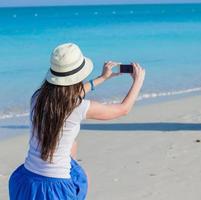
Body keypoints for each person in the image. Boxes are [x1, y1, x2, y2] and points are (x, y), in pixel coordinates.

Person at [8, 43, 145, 199]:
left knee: (71, 145)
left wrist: (102, 78)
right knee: (72, 147)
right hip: (55, 188)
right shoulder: (78, 107)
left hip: (25, 180)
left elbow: (67, 95)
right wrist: (138, 81)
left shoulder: (37, 97)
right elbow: (123, 109)